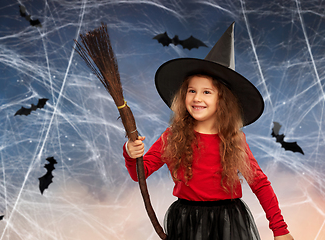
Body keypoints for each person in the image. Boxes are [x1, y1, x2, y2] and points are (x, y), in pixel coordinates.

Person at [123, 23, 294, 240]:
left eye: (207, 92)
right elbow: (140, 173)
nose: (197, 98)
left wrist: (280, 229)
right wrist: (131, 153)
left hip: (227, 223)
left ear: (222, 100)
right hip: (186, 223)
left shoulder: (234, 140)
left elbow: (259, 183)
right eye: (192, 90)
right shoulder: (173, 136)